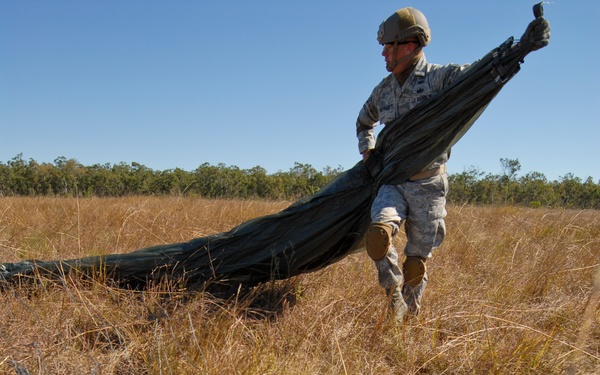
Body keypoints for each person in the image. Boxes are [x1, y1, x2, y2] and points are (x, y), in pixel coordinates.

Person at [358, 7, 550, 324]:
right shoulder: (383, 90)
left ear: (407, 45)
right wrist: (369, 155)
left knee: (416, 263)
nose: (382, 53)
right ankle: (393, 298)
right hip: (392, 182)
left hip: (429, 185)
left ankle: (409, 322)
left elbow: (479, 75)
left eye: (387, 46)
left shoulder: (438, 78)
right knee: (378, 235)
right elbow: (364, 122)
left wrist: (521, 49)